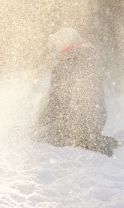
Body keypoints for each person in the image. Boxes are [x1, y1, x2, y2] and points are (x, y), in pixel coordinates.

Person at [34, 27, 119, 156]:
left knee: (43, 135)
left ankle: (87, 139)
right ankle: (90, 138)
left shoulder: (63, 68)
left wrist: (40, 125)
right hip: (96, 120)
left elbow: (55, 102)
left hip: (77, 123)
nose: (55, 52)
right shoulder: (89, 59)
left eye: (56, 47)